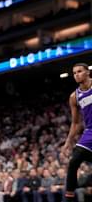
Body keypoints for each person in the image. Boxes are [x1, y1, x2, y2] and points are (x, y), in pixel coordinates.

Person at [61, 63, 92, 202]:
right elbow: (76, 123)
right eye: (74, 73)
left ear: (87, 72)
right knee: (74, 160)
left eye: (79, 71)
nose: (76, 74)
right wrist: (68, 142)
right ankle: (69, 197)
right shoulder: (74, 96)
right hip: (89, 132)